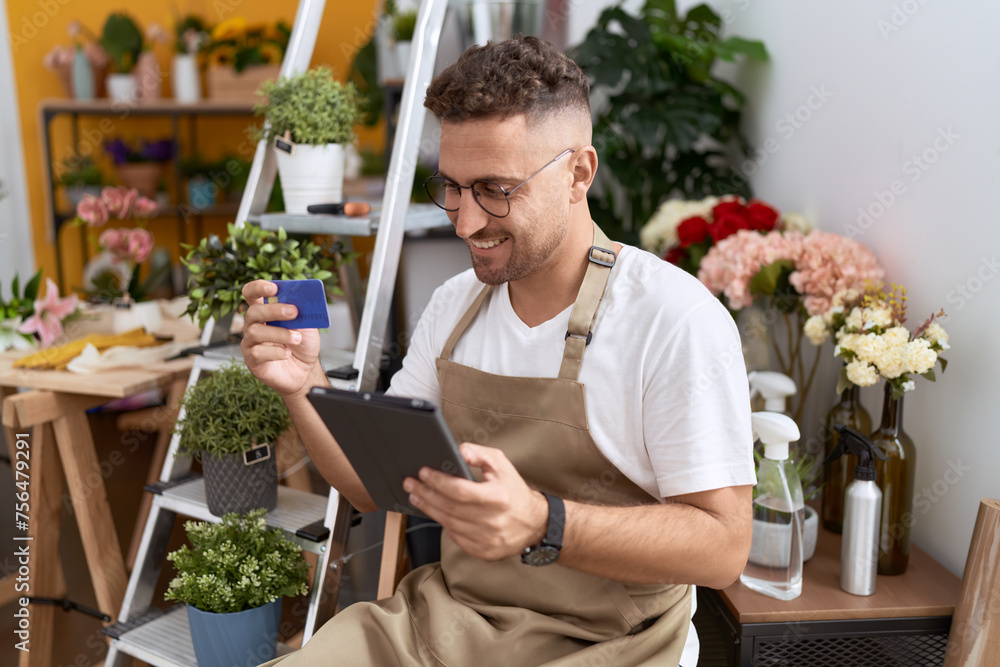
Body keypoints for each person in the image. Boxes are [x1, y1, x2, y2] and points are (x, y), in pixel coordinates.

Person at [244, 35, 755, 667]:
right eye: (453, 187)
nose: (463, 223)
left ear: (579, 173)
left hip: (608, 643)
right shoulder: (455, 305)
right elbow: (372, 488)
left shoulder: (673, 319)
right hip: (448, 623)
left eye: (495, 190)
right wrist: (303, 383)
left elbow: (724, 546)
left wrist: (544, 523)